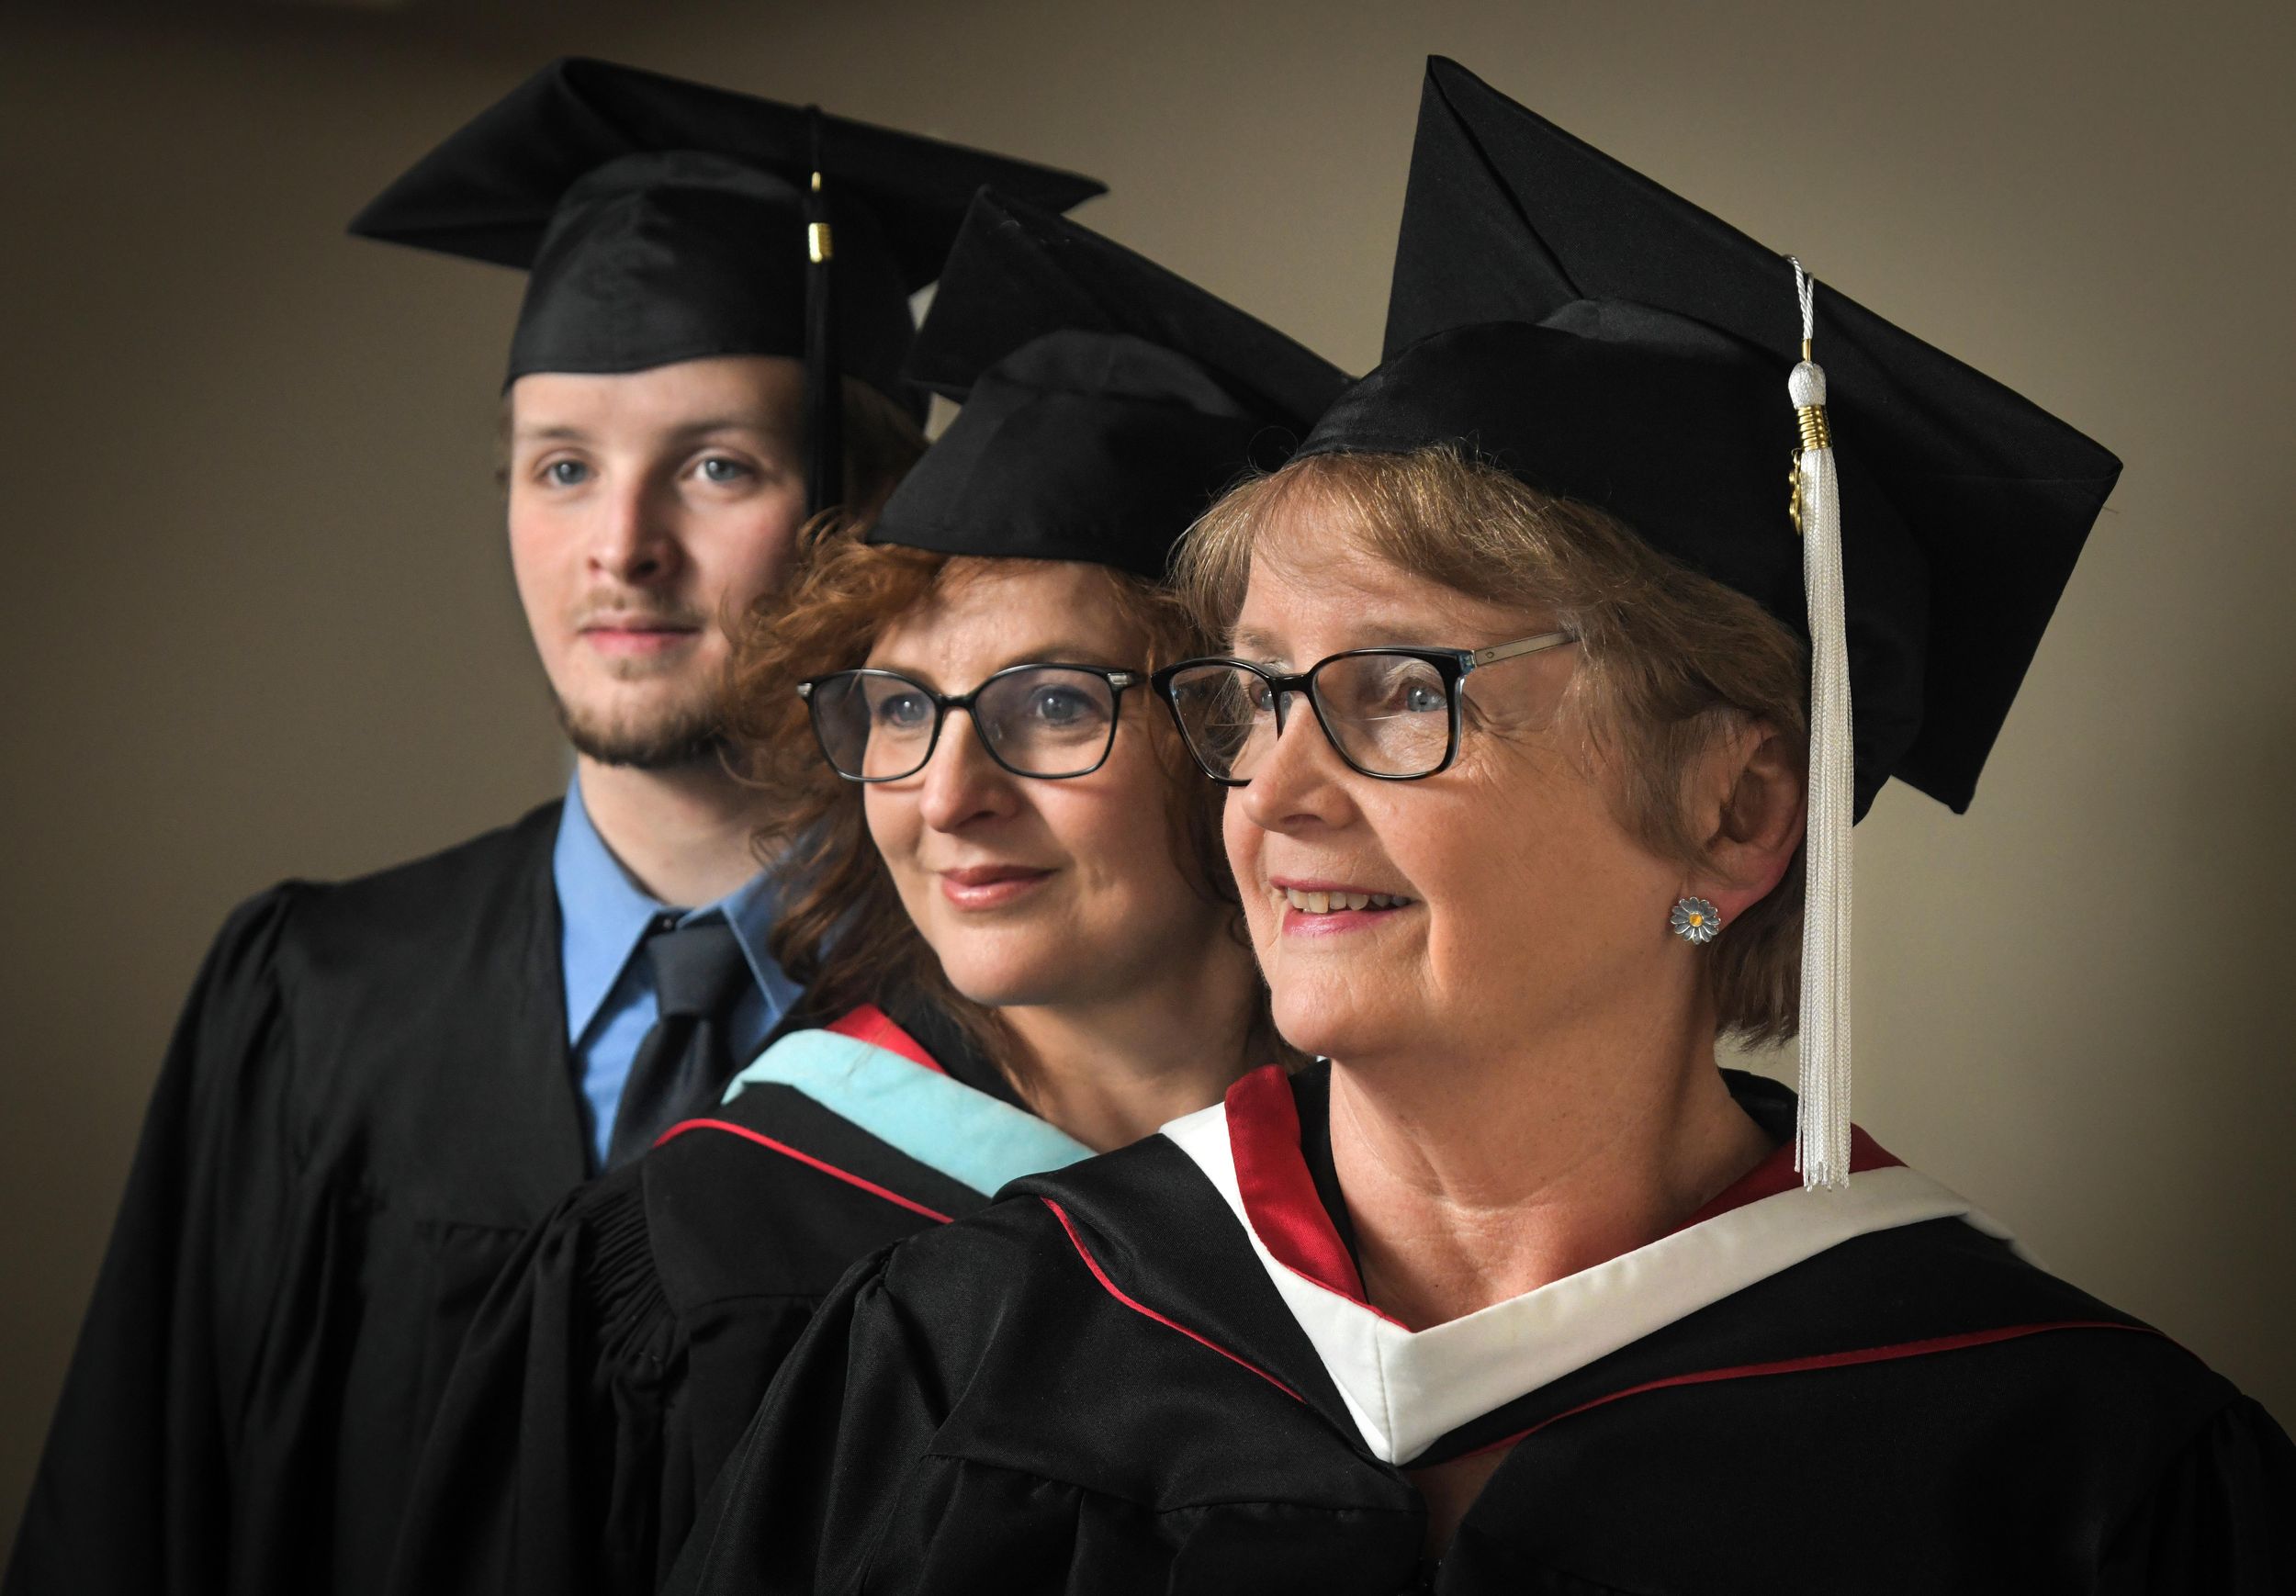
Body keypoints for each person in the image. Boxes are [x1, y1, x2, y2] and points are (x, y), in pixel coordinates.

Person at [664, 59, 2294, 1595]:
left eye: (1396, 693)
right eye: (1253, 695)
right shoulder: (977, 1341)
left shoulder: (2066, 1475)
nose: (1277, 793)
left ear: (1733, 813)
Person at [4, 61, 1101, 1596]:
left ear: (860, 518)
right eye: (563, 465)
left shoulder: (1000, 1045)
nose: (620, 548)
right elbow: (124, 1524)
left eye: (716, 464)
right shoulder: (313, 1004)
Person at [383, 189, 1346, 1596]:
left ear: (1232, 731)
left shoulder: (1413, 1196)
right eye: (900, 709)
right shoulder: (714, 1239)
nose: (947, 794)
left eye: (1053, 704)